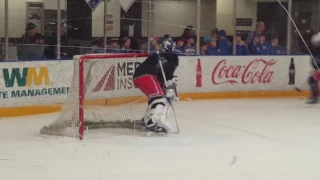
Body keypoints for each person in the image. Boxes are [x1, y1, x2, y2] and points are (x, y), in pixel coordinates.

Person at [133, 38, 179, 135]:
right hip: (147, 77)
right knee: (160, 99)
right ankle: (151, 124)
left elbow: (162, 73)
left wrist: (168, 85)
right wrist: (170, 86)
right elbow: (167, 73)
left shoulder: (158, 55)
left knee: (154, 99)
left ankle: (146, 121)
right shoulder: (172, 57)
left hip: (138, 78)